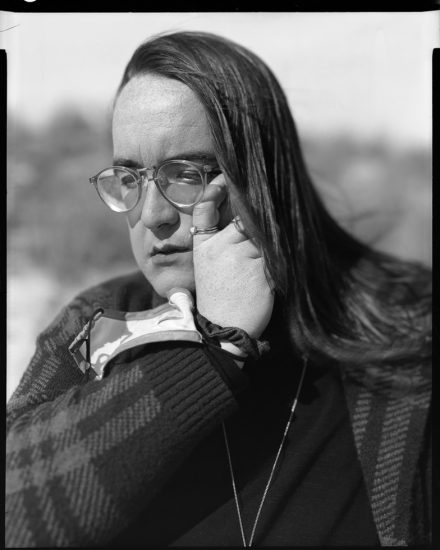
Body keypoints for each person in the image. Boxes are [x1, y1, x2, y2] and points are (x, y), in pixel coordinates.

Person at [6, 31, 431, 547]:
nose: (153, 215)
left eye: (185, 174)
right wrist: (212, 351)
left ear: (264, 174)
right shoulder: (98, 321)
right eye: (129, 176)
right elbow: (14, 510)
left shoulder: (406, 322)